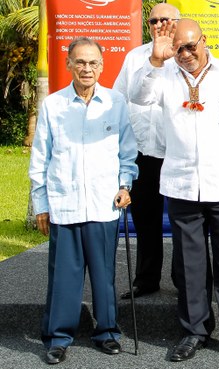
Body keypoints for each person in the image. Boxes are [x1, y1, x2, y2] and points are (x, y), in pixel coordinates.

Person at [130, 18, 219, 362]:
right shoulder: (164, 74)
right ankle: (195, 330)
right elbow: (138, 96)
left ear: (204, 41)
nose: (186, 54)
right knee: (189, 264)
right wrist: (156, 60)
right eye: (179, 49)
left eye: (191, 46)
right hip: (182, 184)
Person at [30, 37, 138, 365]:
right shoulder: (53, 105)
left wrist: (125, 185)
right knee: (64, 277)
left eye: (93, 63)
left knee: (104, 276)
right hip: (65, 204)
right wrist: (41, 204)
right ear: (69, 65)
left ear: (102, 67)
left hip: (104, 204)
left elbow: (127, 152)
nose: (86, 68)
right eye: (80, 62)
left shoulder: (115, 102)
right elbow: (40, 158)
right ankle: (58, 337)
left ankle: (107, 332)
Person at [113, 3, 179, 299]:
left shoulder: (186, 56)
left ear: (177, 22)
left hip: (175, 151)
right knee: (145, 219)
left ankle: (185, 280)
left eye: (166, 19)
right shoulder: (135, 57)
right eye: (154, 20)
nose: (159, 24)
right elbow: (120, 99)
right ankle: (146, 279)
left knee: (183, 221)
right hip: (141, 151)